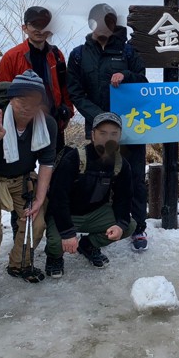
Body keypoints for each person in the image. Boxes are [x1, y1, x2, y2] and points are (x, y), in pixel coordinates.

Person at [0, 70, 57, 301]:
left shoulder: (47, 124)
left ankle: (19, 264)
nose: (26, 107)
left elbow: (46, 163)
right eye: (20, 100)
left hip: (22, 178)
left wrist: (38, 199)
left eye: (33, 102)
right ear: (11, 99)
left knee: (35, 223)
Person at [67, 3, 150, 251]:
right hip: (97, 130)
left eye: (109, 21)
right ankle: (99, 228)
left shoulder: (128, 53)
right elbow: (75, 92)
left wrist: (126, 75)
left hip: (131, 127)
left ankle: (138, 227)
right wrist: (100, 117)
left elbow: (143, 82)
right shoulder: (79, 54)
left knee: (134, 177)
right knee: (96, 178)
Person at [44, 112, 137, 278]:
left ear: (119, 136)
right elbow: (58, 199)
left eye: (114, 134)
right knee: (56, 243)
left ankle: (88, 245)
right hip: (65, 214)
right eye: (103, 133)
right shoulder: (74, 158)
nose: (108, 138)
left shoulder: (121, 165)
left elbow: (124, 198)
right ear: (93, 135)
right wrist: (67, 233)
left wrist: (120, 225)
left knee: (128, 225)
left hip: (96, 213)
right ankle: (54, 257)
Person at [0, 6, 74, 151]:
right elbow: (1, 94)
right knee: (25, 169)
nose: (40, 29)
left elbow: (64, 87)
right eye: (35, 25)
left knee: (55, 166)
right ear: (25, 28)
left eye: (44, 25)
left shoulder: (57, 55)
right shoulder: (12, 57)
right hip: (23, 123)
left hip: (53, 121)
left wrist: (68, 112)